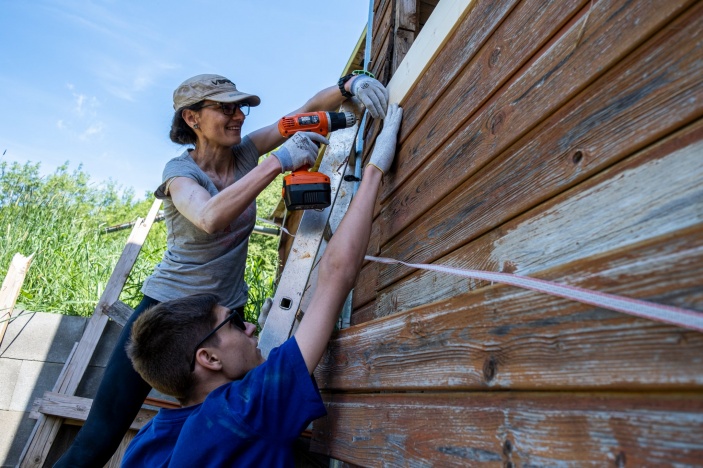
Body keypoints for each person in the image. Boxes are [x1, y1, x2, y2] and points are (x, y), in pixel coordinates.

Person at [54, 72, 390, 467]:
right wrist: (277, 162)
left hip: (224, 314)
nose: (238, 116)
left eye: (240, 107)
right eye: (225, 108)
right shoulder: (180, 174)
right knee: (97, 438)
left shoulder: (245, 153)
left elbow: (304, 113)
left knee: (239, 425)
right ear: (192, 119)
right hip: (168, 316)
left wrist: (349, 86)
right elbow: (209, 217)